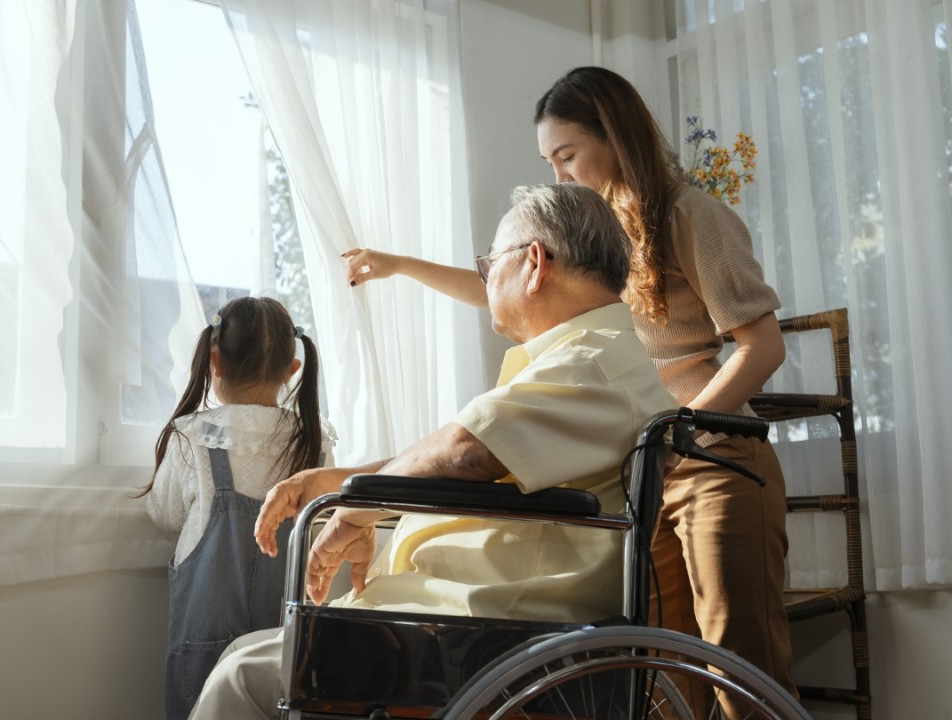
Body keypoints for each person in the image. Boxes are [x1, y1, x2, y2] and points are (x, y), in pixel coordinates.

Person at [341, 66, 796, 710]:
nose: (559, 175)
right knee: (663, 662)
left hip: (713, 458)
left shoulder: (691, 215)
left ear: (614, 137)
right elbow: (502, 283)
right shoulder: (598, 242)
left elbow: (762, 345)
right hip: (647, 463)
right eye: (549, 161)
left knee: (735, 654)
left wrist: (676, 435)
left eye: (566, 156)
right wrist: (401, 265)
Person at [187, 183, 678, 719]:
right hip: (468, 614)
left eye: (491, 266)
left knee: (238, 680)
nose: (486, 280)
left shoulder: (591, 364)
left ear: (535, 263)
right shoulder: (585, 359)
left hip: (484, 630)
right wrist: (340, 482)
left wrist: (357, 505)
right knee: (241, 655)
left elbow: (465, 453)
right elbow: (471, 454)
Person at [140, 296, 337, 720]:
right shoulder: (313, 443)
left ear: (215, 362)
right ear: (293, 370)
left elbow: (165, 514)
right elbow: (321, 530)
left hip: (203, 652)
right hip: (280, 655)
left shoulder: (192, 437)